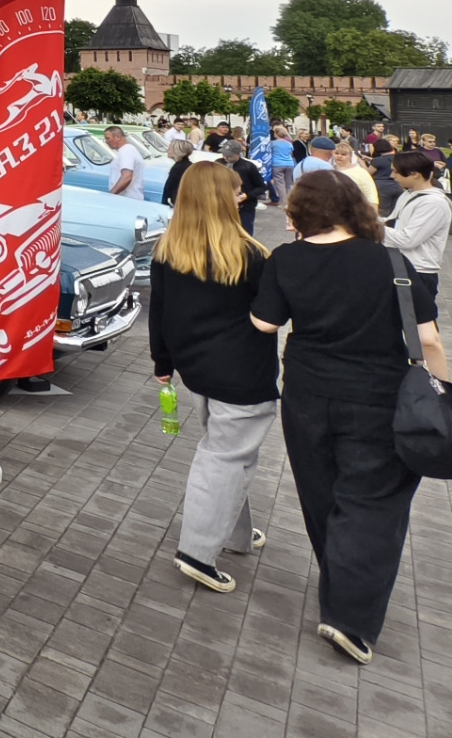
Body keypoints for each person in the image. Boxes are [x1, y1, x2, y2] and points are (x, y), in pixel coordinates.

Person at [251, 171, 446, 665]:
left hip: (308, 394)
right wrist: (441, 392)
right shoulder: (391, 261)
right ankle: (349, 619)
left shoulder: (286, 258)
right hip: (379, 398)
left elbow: (265, 322)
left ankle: (339, 581)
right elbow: (428, 339)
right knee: (374, 501)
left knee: (321, 492)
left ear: (299, 211)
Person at [149, 162, 277, 595]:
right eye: (236, 191)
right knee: (225, 458)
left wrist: (162, 362)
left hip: (195, 369)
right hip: (243, 372)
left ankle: (235, 534)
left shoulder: (168, 248)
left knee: (229, 454)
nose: (242, 197)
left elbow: (159, 311)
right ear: (223, 198)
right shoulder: (251, 255)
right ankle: (198, 552)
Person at [383, 151, 451, 310]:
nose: (392, 176)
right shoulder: (409, 194)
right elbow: (393, 223)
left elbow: (407, 239)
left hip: (418, 271)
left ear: (414, 174)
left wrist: (369, 228)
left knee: (414, 321)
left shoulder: (433, 203)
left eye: (396, 172)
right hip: (399, 266)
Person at [220, 139, 267, 231]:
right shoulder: (219, 163)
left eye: (229, 155)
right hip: (224, 204)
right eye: (224, 154)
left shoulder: (248, 166)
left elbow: (261, 187)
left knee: (245, 231)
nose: (226, 157)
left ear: (238, 154)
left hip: (245, 206)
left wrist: (247, 195)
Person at [332, 141, 379, 208]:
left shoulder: (360, 172)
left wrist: (373, 211)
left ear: (350, 156)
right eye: (336, 153)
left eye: (343, 154)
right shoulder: (329, 170)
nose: (339, 156)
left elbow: (371, 195)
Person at [105, 126, 146, 200]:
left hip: (127, 199)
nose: (106, 141)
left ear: (117, 137)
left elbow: (126, 177)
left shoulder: (126, 151)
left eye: (108, 138)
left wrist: (111, 195)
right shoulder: (128, 150)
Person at [368, 137, 402, 216]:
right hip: (398, 185)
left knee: (383, 211)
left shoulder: (377, 160)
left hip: (382, 186)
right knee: (396, 210)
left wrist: (361, 162)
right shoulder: (399, 157)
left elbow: (368, 173)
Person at [267, 125, 297, 208]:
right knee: (288, 184)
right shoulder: (289, 144)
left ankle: (283, 203)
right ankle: (290, 201)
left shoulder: (272, 143)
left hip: (277, 164)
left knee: (280, 184)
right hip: (289, 164)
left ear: (276, 133)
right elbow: (291, 154)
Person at [162, 139, 195, 206]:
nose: (167, 150)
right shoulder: (189, 165)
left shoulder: (178, 168)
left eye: (170, 149)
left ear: (177, 151)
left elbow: (170, 189)